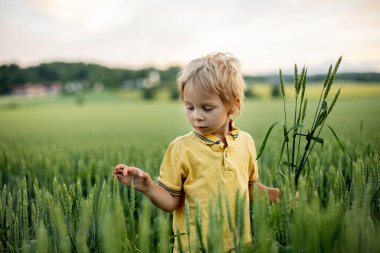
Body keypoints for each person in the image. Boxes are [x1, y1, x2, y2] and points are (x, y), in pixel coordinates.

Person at [112, 52, 281, 251]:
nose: (196, 116)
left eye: (207, 108)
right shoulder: (181, 149)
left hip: (240, 246)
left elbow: (248, 189)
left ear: (233, 105)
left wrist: (278, 196)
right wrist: (148, 187)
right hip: (195, 247)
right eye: (189, 107)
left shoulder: (246, 142)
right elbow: (171, 202)